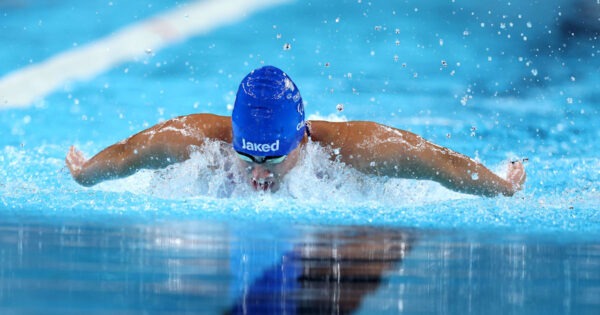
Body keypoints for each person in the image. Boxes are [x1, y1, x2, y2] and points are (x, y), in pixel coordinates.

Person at [66, 65, 526, 196]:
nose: (257, 177)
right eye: (247, 158)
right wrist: (87, 173)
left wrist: (502, 188)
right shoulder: (201, 139)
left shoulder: (356, 149)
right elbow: (129, 153)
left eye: (271, 159)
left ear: (301, 138)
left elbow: (437, 163)